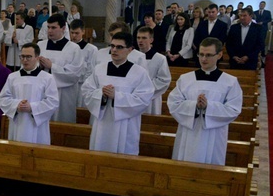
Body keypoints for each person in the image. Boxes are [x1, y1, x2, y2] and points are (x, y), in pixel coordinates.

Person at [168, 37, 243, 165]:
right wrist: (195, 107)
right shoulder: (185, 79)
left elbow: (233, 109)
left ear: (219, 55)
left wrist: (209, 107)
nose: (203, 59)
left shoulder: (230, 82)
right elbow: (173, 104)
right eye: (201, 54)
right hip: (188, 134)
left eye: (208, 55)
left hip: (214, 136)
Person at [81, 32, 154, 155]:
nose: (114, 50)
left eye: (119, 47)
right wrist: (101, 94)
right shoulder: (100, 69)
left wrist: (117, 97)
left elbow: (143, 99)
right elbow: (86, 90)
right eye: (112, 46)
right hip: (102, 124)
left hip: (126, 127)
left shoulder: (139, 73)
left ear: (130, 50)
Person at [0, 43, 59, 144]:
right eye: (22, 56)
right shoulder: (12, 77)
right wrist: (17, 105)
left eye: (28, 57)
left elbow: (53, 102)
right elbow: (3, 98)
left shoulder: (47, 78)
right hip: (18, 123)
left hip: (37, 125)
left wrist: (32, 107)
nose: (24, 60)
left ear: (37, 58)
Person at [37, 14, 83, 123]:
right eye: (48, 27)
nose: (50, 31)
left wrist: (52, 66)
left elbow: (74, 74)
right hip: (43, 92)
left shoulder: (74, 48)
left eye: (53, 28)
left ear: (63, 28)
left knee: (62, 121)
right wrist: (40, 66)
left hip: (64, 94)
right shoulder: (40, 45)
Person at [136, 27, 171, 115]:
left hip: (152, 97)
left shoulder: (160, 58)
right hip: (135, 96)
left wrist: (146, 88)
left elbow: (164, 80)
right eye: (138, 37)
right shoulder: (132, 57)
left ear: (151, 40)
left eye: (144, 38)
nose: (140, 41)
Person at [69, 20, 96, 107]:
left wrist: (85, 85)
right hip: (68, 84)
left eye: (77, 33)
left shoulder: (91, 49)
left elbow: (91, 69)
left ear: (83, 32)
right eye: (72, 33)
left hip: (82, 85)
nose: (73, 36)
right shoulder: (66, 48)